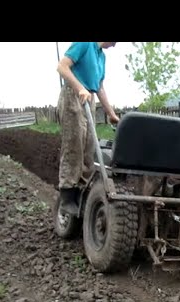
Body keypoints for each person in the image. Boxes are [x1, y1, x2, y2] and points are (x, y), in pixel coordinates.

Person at [56, 42, 120, 216]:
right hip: (73, 95)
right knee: (74, 145)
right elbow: (62, 67)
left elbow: (99, 86)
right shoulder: (85, 43)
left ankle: (82, 192)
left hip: (88, 98)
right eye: (115, 42)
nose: (114, 46)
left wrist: (111, 113)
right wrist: (80, 88)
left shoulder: (101, 56)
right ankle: (67, 196)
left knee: (89, 148)